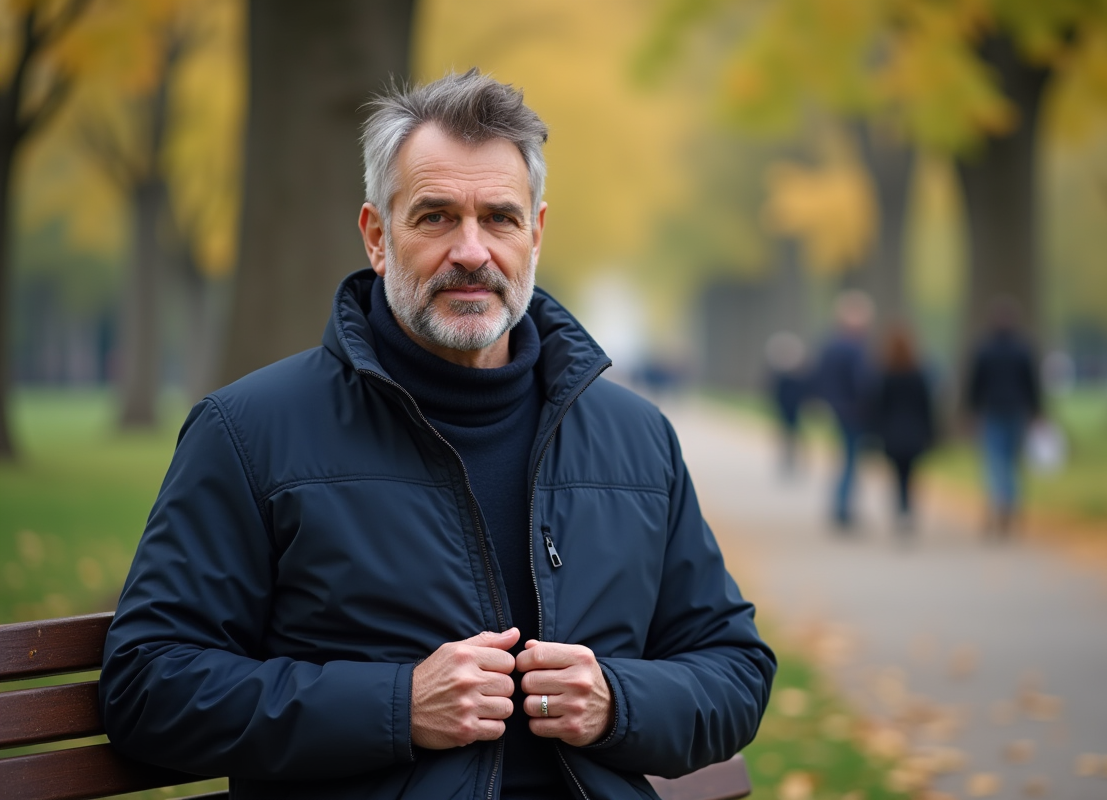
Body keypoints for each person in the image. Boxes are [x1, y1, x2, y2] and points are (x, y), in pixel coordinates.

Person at [98, 70, 775, 800]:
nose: (472, 251)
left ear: (536, 234)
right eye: (436, 216)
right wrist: (398, 705)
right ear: (376, 236)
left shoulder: (635, 438)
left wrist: (618, 701)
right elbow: (147, 684)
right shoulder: (249, 433)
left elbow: (733, 668)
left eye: (501, 218)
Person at [965, 297, 1042, 536]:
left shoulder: (984, 348)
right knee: (1009, 462)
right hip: (1014, 410)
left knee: (995, 462)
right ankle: (1009, 505)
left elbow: (975, 384)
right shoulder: (1022, 348)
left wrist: (971, 410)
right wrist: (1036, 410)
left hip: (993, 410)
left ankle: (999, 504)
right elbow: (1031, 384)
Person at [814, 290, 875, 529]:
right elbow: (863, 382)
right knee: (851, 459)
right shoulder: (855, 348)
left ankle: (840, 504)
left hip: (836, 409)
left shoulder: (830, 345)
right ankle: (843, 508)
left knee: (845, 458)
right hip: (854, 411)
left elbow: (821, 378)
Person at [869, 324, 936, 534]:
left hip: (892, 433)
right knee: (911, 475)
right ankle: (908, 510)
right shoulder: (918, 374)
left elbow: (878, 407)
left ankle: (900, 509)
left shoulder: (885, 375)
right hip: (915, 432)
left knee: (897, 476)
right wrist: (931, 432)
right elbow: (927, 406)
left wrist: (876, 432)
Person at [764, 331, 811, 477]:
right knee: (787, 435)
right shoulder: (779, 372)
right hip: (784, 408)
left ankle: (793, 460)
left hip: (795, 408)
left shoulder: (798, 371)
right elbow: (772, 391)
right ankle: (787, 460)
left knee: (794, 435)